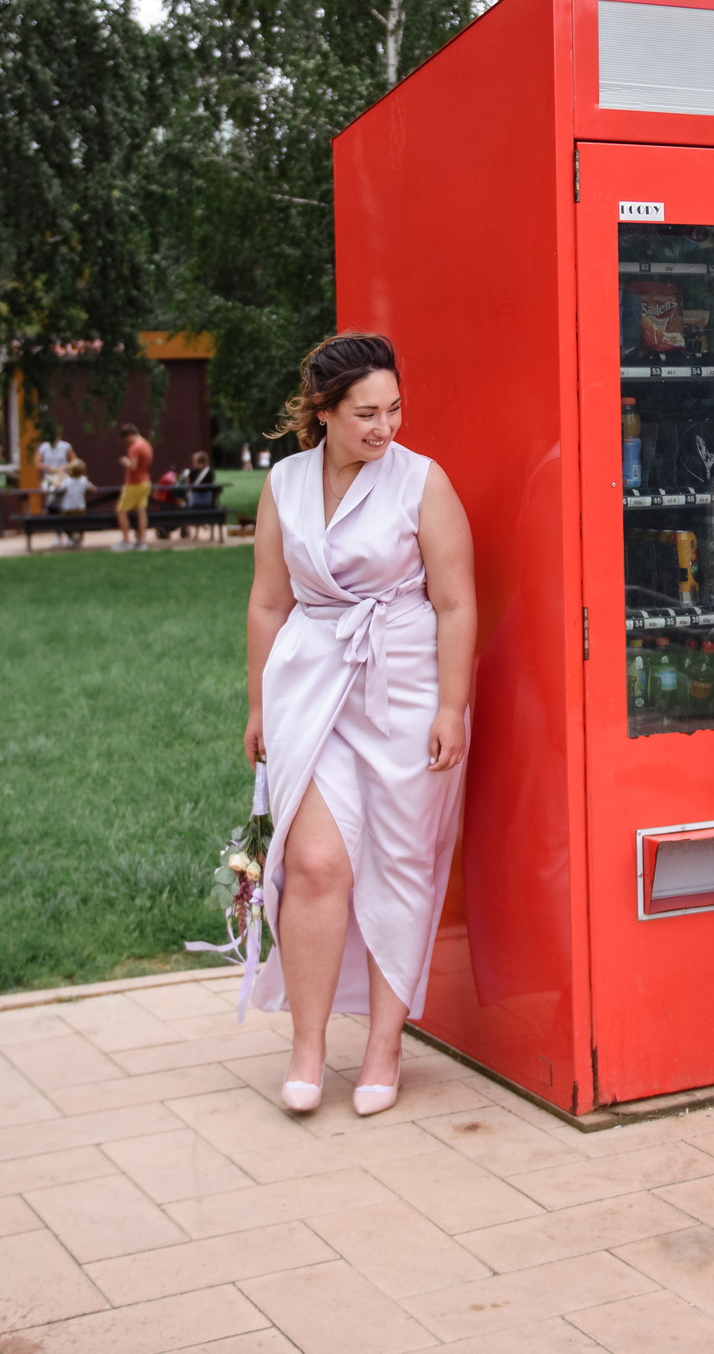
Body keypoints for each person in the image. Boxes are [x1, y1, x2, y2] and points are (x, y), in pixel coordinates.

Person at [243, 333, 477, 1117]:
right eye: (367, 413)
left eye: (394, 408)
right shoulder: (284, 483)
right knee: (312, 861)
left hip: (406, 687)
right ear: (325, 411)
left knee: (401, 863)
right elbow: (268, 600)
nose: (386, 427)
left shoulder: (422, 481)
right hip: (311, 685)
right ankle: (307, 1049)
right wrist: (257, 704)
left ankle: (384, 1046)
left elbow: (456, 601)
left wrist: (451, 705)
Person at [114, 422, 153, 552]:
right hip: (145, 482)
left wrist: (125, 461)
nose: (126, 442)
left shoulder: (135, 447)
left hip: (134, 483)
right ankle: (142, 540)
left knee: (121, 510)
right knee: (141, 511)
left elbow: (133, 466)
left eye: (126, 439)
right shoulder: (146, 444)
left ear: (129, 435)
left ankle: (126, 541)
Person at [56, 458, 92, 546]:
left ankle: (70, 537)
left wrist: (60, 474)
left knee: (62, 518)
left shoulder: (67, 481)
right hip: (80, 510)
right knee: (81, 520)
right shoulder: (84, 480)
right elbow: (93, 489)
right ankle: (80, 536)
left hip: (67, 511)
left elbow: (57, 487)